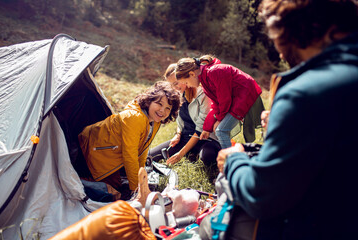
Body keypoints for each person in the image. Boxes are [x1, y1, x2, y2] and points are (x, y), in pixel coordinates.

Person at [217, 0, 358, 239]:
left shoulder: (306, 93)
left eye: (276, 39)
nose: (280, 53)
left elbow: (261, 196)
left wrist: (234, 161)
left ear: (291, 29)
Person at [78, 81, 181, 200]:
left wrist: (141, 181)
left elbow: (142, 153)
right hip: (90, 150)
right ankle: (81, 177)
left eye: (168, 108)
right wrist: (136, 190)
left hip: (109, 153)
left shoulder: (154, 120)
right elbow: (130, 155)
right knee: (112, 192)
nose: (163, 110)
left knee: (121, 186)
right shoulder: (135, 118)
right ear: (149, 101)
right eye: (159, 104)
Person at [175, 55, 264, 149]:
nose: (188, 86)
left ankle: (229, 160)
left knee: (221, 130)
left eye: (186, 82)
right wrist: (206, 128)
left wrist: (219, 119)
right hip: (237, 98)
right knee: (220, 130)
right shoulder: (204, 81)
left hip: (245, 95)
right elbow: (215, 105)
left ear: (192, 74)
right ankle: (229, 156)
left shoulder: (214, 72)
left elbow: (225, 100)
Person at [148, 63, 222, 170]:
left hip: (205, 139)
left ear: (183, 77)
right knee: (151, 156)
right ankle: (191, 155)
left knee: (208, 157)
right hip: (185, 137)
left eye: (176, 83)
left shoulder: (203, 94)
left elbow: (200, 129)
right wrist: (178, 134)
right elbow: (181, 120)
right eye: (171, 85)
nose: (175, 88)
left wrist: (180, 154)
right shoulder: (179, 95)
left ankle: (192, 155)